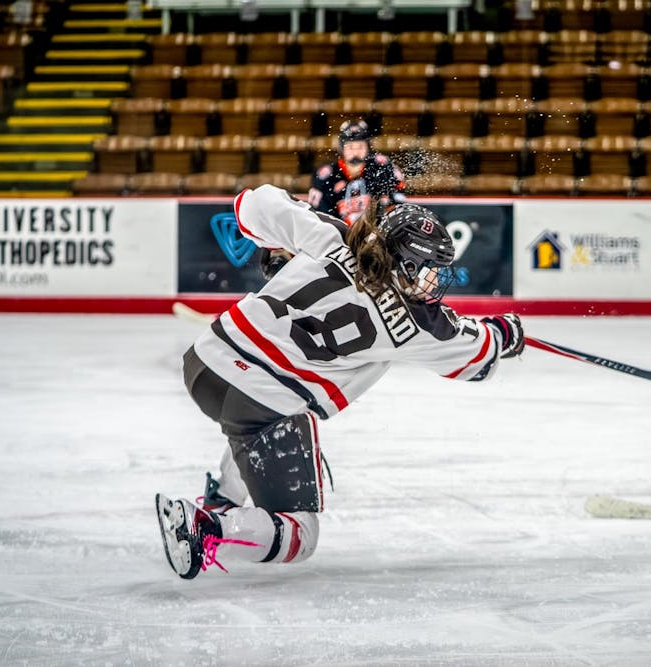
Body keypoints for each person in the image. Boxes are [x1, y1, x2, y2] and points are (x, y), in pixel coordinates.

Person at [156, 184, 525, 579]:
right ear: (407, 266)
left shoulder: (334, 235)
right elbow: (477, 359)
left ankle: (221, 501)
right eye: (430, 270)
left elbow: (252, 204)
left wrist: (276, 243)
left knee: (266, 428)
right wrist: (505, 333)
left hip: (204, 363)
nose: (435, 282)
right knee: (299, 534)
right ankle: (209, 530)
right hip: (260, 402)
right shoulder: (417, 325)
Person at [308, 119, 407, 226]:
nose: (355, 152)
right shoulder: (326, 175)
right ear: (342, 148)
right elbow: (320, 214)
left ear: (368, 147)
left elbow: (397, 202)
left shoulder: (382, 166)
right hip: (339, 234)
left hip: (377, 232)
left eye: (360, 146)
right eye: (350, 147)